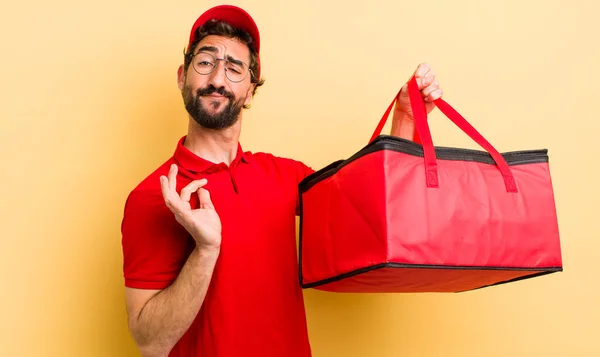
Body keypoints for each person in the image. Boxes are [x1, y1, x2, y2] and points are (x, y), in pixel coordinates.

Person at [121, 4, 443, 357]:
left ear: (250, 89)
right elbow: (150, 343)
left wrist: (406, 121)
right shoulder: (154, 196)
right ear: (183, 76)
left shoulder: (285, 176)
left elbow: (373, 206)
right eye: (205, 62)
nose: (217, 79)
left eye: (234, 68)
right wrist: (205, 250)